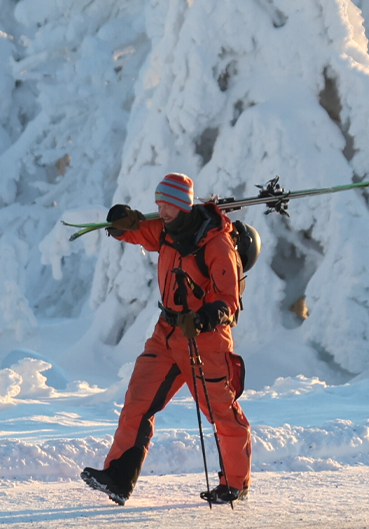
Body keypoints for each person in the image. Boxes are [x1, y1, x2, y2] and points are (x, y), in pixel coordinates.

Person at [81, 173, 251, 506]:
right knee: (138, 400)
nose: (162, 211)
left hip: (205, 340)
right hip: (166, 334)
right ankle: (117, 478)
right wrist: (120, 218)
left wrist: (201, 319)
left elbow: (228, 300)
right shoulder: (165, 229)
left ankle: (234, 484)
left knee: (221, 411)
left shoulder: (216, 244)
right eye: (159, 204)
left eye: (168, 205)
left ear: (184, 206)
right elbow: (128, 231)